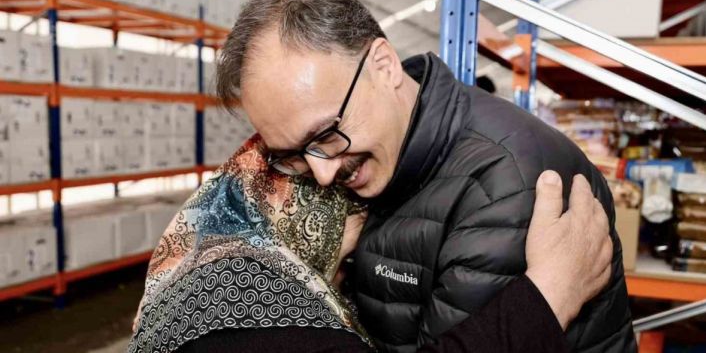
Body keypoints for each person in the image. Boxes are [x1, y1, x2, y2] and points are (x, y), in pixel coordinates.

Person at [216, 0, 637, 352]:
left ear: (384, 65)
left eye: (327, 133)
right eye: (292, 154)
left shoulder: (505, 187)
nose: (323, 174)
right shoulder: (379, 163)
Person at [130, 136, 612, 353]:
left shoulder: (202, 267)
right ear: (307, 216)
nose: (348, 273)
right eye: (349, 248)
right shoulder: (244, 293)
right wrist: (551, 292)